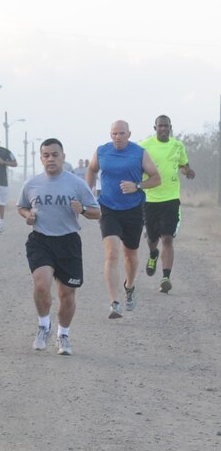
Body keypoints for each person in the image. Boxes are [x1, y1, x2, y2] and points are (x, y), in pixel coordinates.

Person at [17, 139, 100, 355]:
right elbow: (21, 206)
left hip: (68, 241)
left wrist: (81, 209)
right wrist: (28, 215)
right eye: (46, 155)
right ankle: (44, 326)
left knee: (67, 294)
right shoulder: (31, 184)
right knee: (42, 285)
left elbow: (97, 212)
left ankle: (63, 334)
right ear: (41, 158)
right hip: (41, 240)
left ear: (63, 156)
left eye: (55, 154)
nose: (50, 159)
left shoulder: (76, 184)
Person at [86, 120, 161, 319]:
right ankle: (114, 302)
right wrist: (89, 191)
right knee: (111, 254)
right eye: (114, 134)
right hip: (108, 208)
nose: (117, 137)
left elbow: (156, 178)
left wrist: (137, 185)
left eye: (121, 133)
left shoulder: (139, 153)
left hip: (133, 210)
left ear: (129, 134)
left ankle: (129, 286)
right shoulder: (102, 151)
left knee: (130, 255)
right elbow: (92, 169)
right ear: (110, 135)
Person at [139, 115, 195, 294]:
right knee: (152, 238)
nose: (163, 129)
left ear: (171, 127)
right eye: (160, 126)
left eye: (166, 126)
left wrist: (188, 171)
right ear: (154, 127)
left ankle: (165, 277)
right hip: (150, 199)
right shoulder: (144, 146)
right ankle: (153, 253)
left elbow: (183, 165)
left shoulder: (178, 146)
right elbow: (136, 167)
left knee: (168, 238)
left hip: (171, 199)